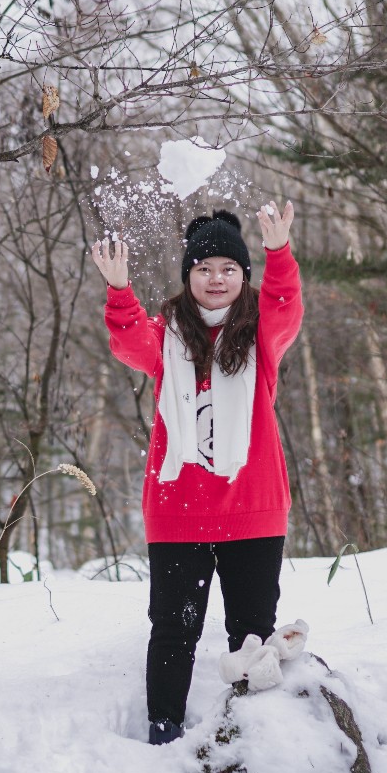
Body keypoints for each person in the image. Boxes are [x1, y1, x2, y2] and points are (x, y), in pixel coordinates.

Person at [92, 203, 303, 745]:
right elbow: (128, 340)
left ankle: (254, 738)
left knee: (253, 633)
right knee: (174, 629)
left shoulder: (261, 336)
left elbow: (286, 306)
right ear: (188, 276)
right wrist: (119, 289)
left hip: (253, 505)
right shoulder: (166, 337)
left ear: (243, 276)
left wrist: (279, 253)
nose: (216, 279)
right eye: (204, 269)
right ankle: (164, 732)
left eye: (228, 269)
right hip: (179, 507)